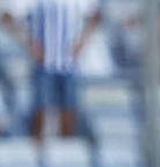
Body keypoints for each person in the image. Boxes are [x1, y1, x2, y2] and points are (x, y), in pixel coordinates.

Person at [1, 0, 100, 141]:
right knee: (39, 111)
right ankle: (36, 156)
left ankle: (66, 154)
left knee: (69, 110)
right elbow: (6, 16)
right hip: (41, 64)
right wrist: (28, 41)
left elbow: (95, 16)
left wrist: (82, 41)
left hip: (70, 64)